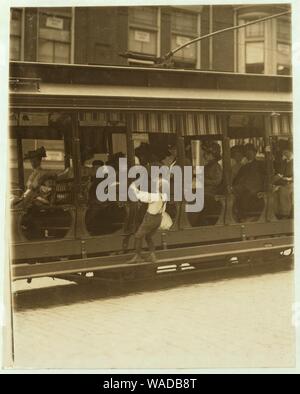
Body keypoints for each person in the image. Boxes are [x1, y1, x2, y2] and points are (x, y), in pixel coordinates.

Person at [128, 177, 168, 264]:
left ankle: (138, 256)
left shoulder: (154, 196)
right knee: (148, 236)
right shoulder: (165, 195)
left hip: (150, 218)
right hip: (158, 218)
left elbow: (139, 195)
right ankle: (152, 256)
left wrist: (133, 186)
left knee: (138, 236)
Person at [233, 143, 266, 220]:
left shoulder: (260, 164)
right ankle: (238, 214)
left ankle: (244, 215)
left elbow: (265, 176)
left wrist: (263, 189)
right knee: (235, 191)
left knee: (243, 192)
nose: (249, 154)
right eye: (247, 152)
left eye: (250, 152)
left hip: (255, 187)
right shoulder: (244, 166)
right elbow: (237, 178)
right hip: (243, 187)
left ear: (255, 153)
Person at [273, 141, 293, 218]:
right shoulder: (284, 161)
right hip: (284, 182)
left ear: (289, 151)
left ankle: (285, 213)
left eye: (285, 152)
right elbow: (280, 173)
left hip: (293, 182)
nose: (283, 154)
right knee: (274, 191)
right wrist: (273, 181)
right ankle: (277, 213)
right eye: (283, 152)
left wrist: (287, 179)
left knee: (283, 191)